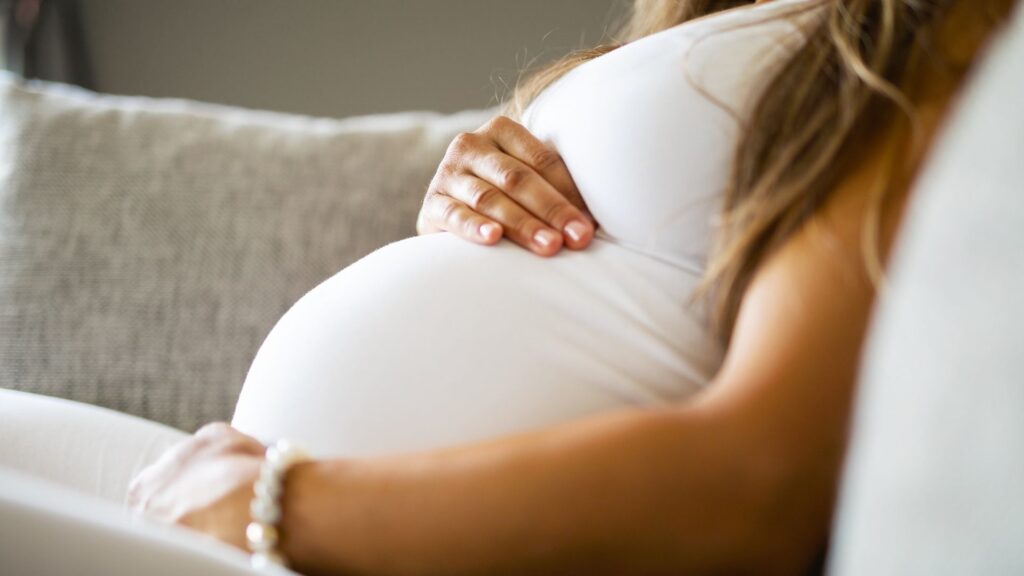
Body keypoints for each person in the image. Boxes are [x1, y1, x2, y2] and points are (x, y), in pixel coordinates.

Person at [0, 0, 1017, 574]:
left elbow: (763, 479)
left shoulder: (931, 37)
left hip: (320, 537)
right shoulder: (720, 17)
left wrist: (278, 503)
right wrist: (470, 203)